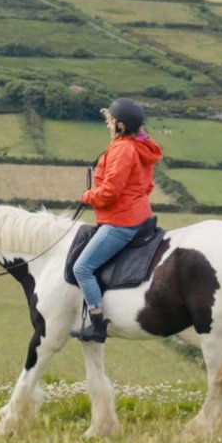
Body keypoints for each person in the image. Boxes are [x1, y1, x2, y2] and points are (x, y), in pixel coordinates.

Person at [71, 97, 163, 343]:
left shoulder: (123, 149)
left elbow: (111, 191)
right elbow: (148, 185)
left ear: (120, 126)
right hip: (139, 213)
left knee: (82, 268)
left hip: (122, 222)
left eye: (110, 121)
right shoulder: (142, 146)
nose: (108, 125)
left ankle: (97, 324)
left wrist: (87, 196)